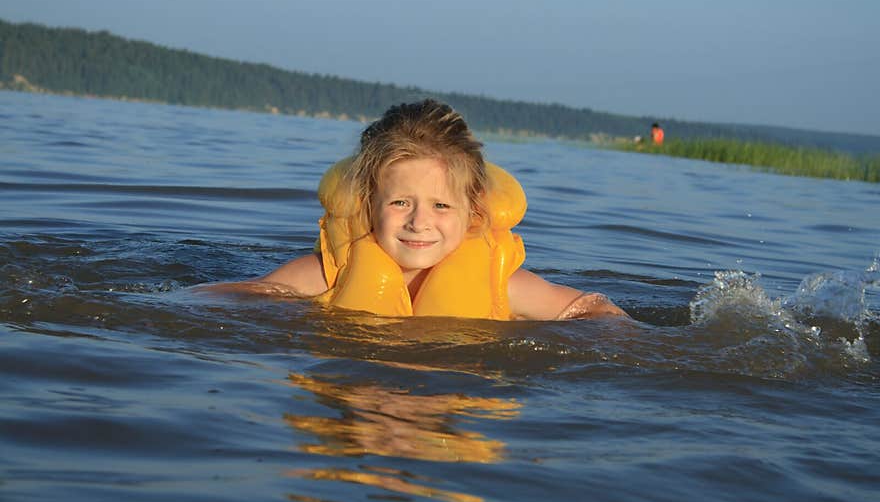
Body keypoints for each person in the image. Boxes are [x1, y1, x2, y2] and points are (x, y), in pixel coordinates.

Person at [198, 99, 628, 321]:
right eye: (401, 202)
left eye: (441, 205)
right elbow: (227, 297)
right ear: (369, 202)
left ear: (473, 210)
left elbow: (595, 310)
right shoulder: (329, 273)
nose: (419, 222)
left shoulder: (504, 285)